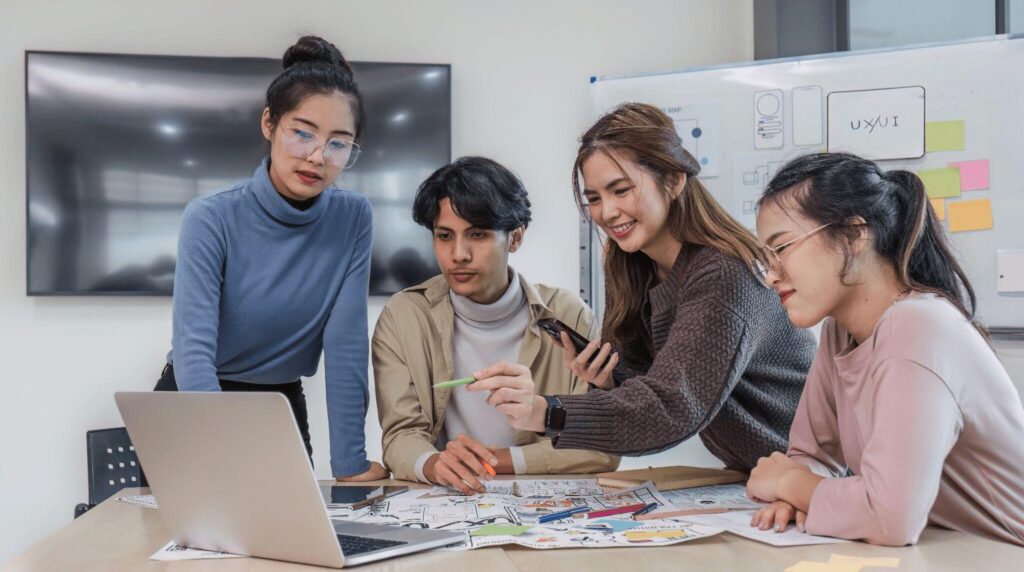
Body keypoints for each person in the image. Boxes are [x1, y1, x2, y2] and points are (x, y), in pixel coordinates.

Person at [470, 103, 816, 472]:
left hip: (816, 472)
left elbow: (670, 408)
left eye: (621, 190)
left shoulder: (721, 274)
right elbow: (641, 400)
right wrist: (607, 381)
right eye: (594, 199)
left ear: (673, 180)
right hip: (761, 475)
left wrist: (544, 411)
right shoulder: (630, 265)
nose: (607, 212)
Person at [746, 152, 1024, 546]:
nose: (771, 274)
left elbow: (890, 517)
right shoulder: (839, 330)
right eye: (765, 258)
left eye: (782, 247)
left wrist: (792, 483)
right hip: (950, 554)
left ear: (854, 235)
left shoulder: (917, 326)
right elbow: (813, 453)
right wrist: (794, 492)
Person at [156, 36, 386, 482]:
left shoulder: (352, 217)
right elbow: (194, 351)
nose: (317, 157)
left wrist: (350, 464)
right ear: (269, 123)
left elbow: (346, 345)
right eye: (302, 133)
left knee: (291, 545)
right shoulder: (211, 217)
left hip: (278, 402)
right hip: (198, 397)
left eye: (338, 144)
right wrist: (224, 449)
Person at [373, 157, 619, 494]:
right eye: (444, 236)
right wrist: (435, 463)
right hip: (447, 499)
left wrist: (497, 460)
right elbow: (400, 437)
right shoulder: (404, 316)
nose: (458, 254)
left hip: (540, 505)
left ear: (515, 238)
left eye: (477, 234)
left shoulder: (568, 314)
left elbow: (600, 446)